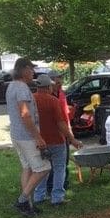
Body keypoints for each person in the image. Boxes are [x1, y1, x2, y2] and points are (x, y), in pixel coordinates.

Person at [6, 57, 51, 217]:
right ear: (24, 69)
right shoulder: (22, 88)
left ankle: (28, 206)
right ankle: (22, 200)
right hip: (26, 137)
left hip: (16, 135)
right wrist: (38, 138)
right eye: (31, 69)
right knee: (44, 168)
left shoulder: (11, 86)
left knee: (27, 168)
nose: (33, 72)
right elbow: (25, 115)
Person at [32, 74, 82, 206]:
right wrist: (72, 139)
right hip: (56, 140)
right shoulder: (53, 100)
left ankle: (38, 196)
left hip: (40, 141)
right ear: (48, 86)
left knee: (42, 168)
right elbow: (61, 123)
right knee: (59, 168)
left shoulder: (31, 100)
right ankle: (57, 198)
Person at [46, 70, 71, 193]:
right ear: (50, 82)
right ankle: (50, 187)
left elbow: (65, 114)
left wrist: (70, 132)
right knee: (51, 164)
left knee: (64, 160)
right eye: (57, 81)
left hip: (64, 132)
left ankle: (64, 184)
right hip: (52, 134)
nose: (60, 83)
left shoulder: (61, 94)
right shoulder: (48, 97)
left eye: (61, 80)